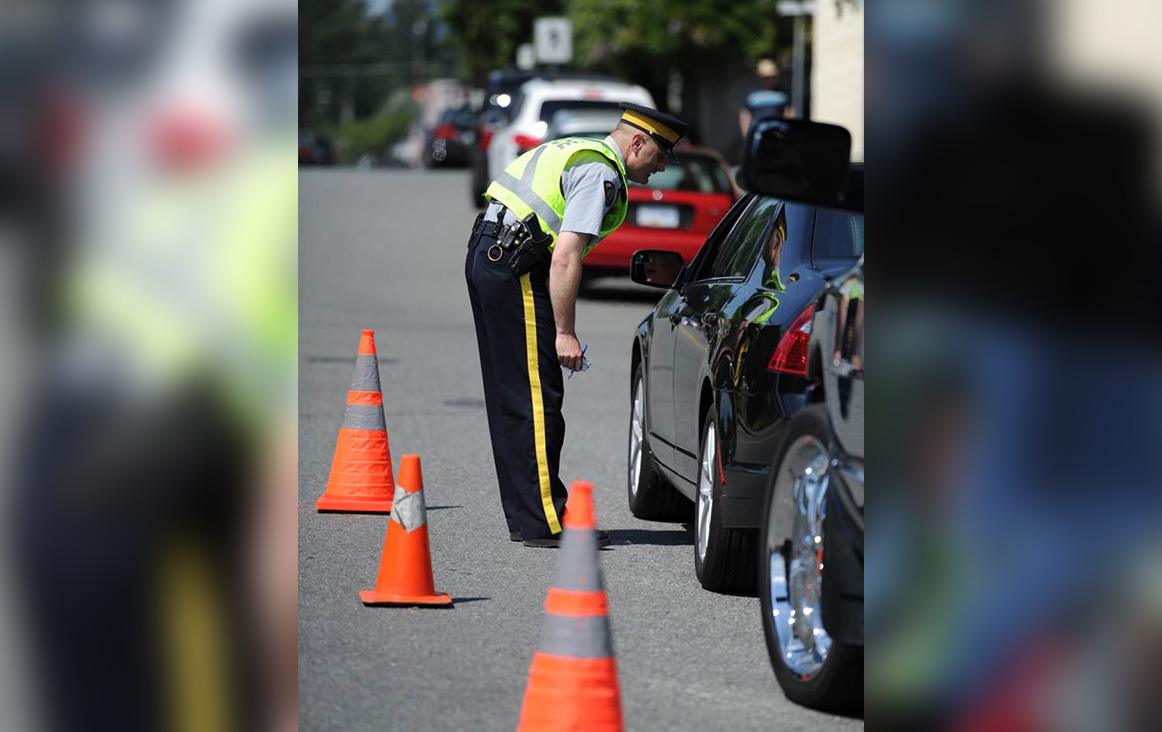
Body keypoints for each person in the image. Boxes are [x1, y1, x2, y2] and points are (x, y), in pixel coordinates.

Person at [465, 102, 687, 548]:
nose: (663, 166)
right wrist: (564, 333)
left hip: (490, 256)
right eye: (660, 154)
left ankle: (526, 515)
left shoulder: (574, 148)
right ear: (637, 141)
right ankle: (546, 521)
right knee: (537, 399)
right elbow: (566, 255)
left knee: (512, 396)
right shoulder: (600, 172)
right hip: (517, 267)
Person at [738, 59, 790, 142]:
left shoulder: (782, 94)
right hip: (758, 134)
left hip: (778, 134)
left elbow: (788, 113)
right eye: (766, 78)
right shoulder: (753, 94)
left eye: (772, 78)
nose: (769, 80)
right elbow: (745, 116)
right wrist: (747, 136)